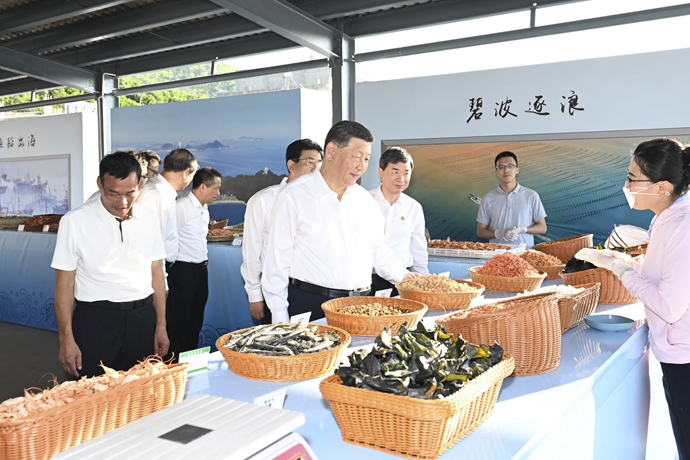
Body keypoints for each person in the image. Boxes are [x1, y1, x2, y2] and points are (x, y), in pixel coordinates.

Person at [575, 138, 690, 459]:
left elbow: (669, 305)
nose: (626, 185)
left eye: (632, 178)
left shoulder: (683, 224)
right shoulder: (666, 218)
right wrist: (627, 263)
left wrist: (622, 270)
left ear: (662, 186)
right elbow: (666, 278)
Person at [262, 121, 416, 324]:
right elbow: (277, 260)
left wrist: (405, 278)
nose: (362, 166)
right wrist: (279, 315)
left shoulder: (364, 200)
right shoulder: (294, 195)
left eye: (367, 159)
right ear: (332, 151)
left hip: (361, 306)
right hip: (312, 305)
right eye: (357, 156)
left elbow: (377, 250)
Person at [51, 151, 168, 377]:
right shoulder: (74, 222)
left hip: (142, 319)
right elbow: (64, 285)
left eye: (130, 193)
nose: (122, 202)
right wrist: (66, 339)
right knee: (91, 397)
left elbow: (156, 274)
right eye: (113, 193)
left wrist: (161, 325)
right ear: (100, 185)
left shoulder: (150, 219)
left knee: (140, 395)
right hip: (96, 322)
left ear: (140, 185)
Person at [240, 139, 323, 323]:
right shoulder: (263, 200)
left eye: (319, 163)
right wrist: (255, 295)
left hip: (311, 291)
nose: (316, 169)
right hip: (275, 291)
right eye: (310, 162)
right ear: (291, 164)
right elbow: (251, 252)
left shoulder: (321, 201)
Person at [166, 167, 222, 360]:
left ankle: (190, 364)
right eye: (215, 188)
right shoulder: (181, 207)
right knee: (179, 323)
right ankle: (174, 365)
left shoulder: (204, 209)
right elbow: (168, 237)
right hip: (182, 271)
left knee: (195, 320)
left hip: (200, 271)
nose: (218, 193)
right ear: (203, 187)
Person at [369, 147, 428, 296]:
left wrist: (423, 281)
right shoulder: (365, 202)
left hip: (403, 281)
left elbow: (419, 249)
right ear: (381, 173)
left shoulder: (414, 207)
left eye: (406, 173)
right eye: (395, 172)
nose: (401, 179)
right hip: (368, 280)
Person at [136, 148, 198, 278]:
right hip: (157, 270)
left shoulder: (160, 190)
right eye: (192, 176)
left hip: (161, 267)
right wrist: (162, 283)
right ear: (186, 172)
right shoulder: (158, 195)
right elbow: (155, 244)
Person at [476, 151, 547, 247]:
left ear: (517, 170)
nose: (506, 170)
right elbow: (480, 231)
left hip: (524, 254)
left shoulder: (531, 195)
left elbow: (543, 228)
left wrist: (524, 229)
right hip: (496, 255)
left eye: (510, 166)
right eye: (501, 167)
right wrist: (500, 233)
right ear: (496, 172)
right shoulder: (487, 198)